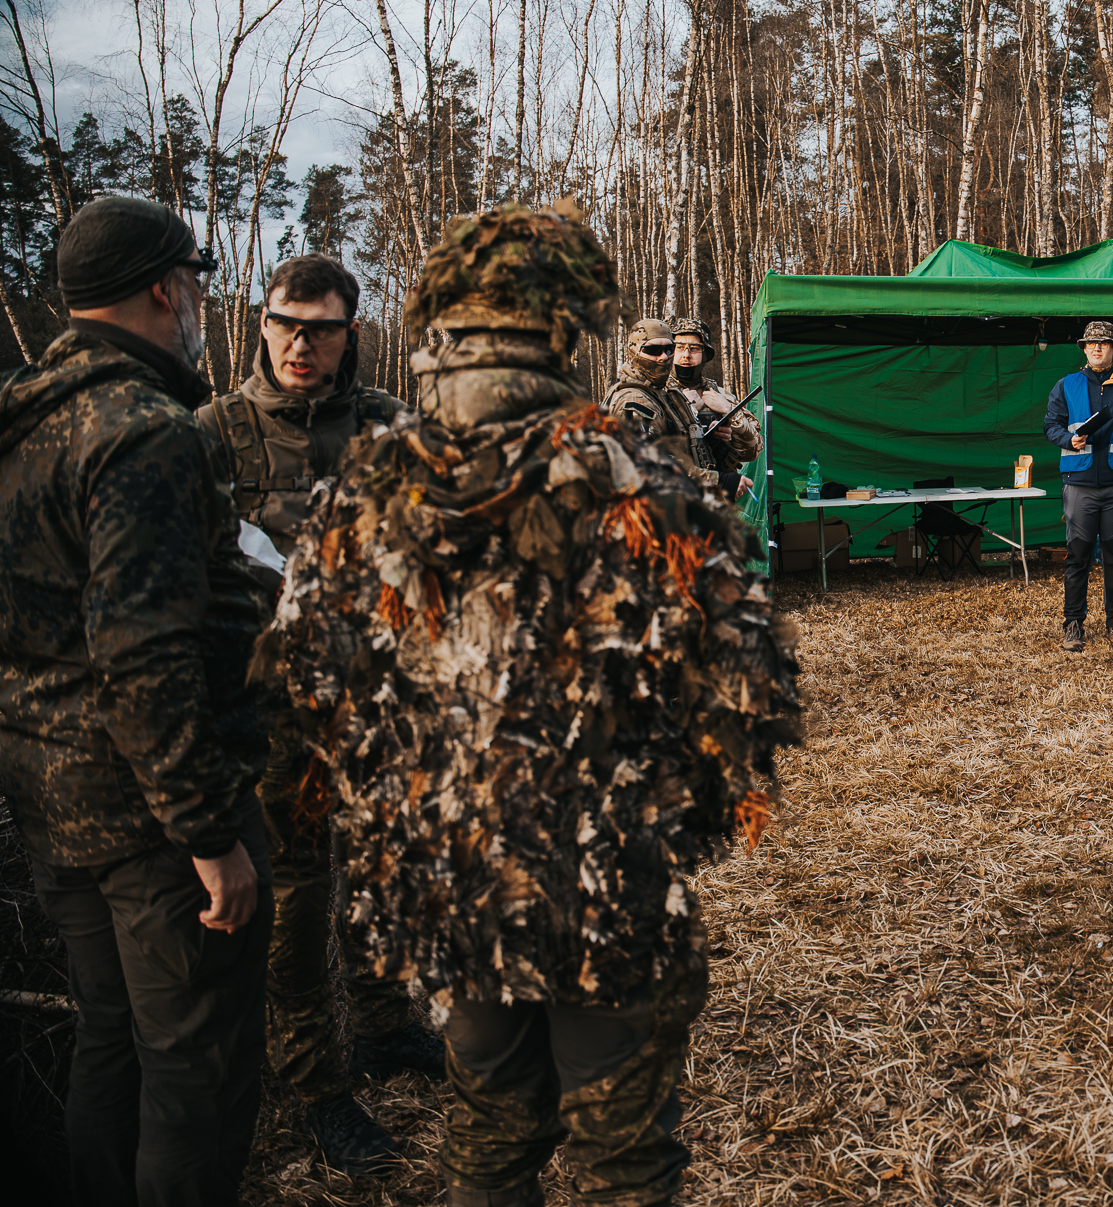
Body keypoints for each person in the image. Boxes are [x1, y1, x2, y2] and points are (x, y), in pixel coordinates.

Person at [256, 202, 801, 1207]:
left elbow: (301, 701)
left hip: (452, 895)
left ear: (440, 336)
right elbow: (750, 701)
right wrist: (670, 823)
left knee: (489, 1132)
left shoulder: (365, 488)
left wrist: (400, 813)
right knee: (622, 1159)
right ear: (563, 332)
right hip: (611, 891)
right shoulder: (647, 482)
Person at [0, 195, 275, 1207]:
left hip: (51, 800)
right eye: (197, 281)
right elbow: (144, 655)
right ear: (168, 287)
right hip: (152, 824)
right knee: (191, 1076)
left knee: (108, 1040)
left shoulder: (25, 415)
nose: (201, 300)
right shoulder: (146, 433)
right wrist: (209, 835)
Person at [193, 253, 437, 1172]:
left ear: (350, 334)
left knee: (380, 867)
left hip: (376, 700)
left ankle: (381, 1028)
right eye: (286, 323)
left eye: (321, 327)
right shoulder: (215, 432)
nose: (302, 343)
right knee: (296, 901)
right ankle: (318, 1086)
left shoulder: (387, 427)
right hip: (274, 716)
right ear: (262, 325)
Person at [1043, 320, 1113, 651]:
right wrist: (1068, 438)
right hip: (1079, 483)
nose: (1096, 348)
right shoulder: (1066, 385)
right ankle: (1073, 624)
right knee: (1077, 556)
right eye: (1090, 344)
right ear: (1083, 349)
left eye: (1104, 343)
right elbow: (1051, 426)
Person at [603, 316, 758, 498]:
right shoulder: (637, 398)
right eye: (679, 347)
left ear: (705, 354)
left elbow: (754, 449)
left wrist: (715, 437)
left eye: (668, 349)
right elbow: (645, 463)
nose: (685, 355)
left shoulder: (665, 392)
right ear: (635, 352)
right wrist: (718, 480)